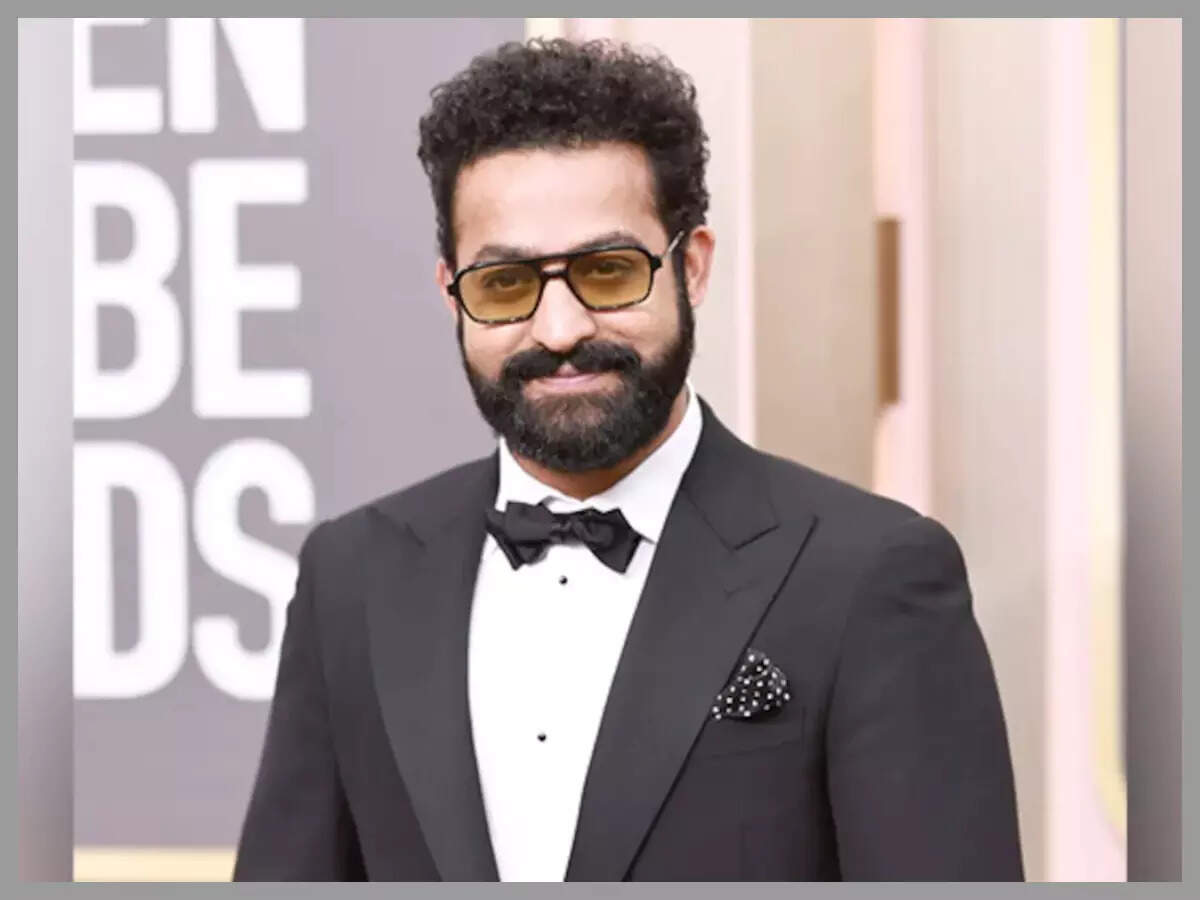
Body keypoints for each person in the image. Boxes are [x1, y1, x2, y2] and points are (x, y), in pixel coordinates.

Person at [232, 37, 1023, 882]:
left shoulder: (869, 574)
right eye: (505, 284)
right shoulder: (353, 578)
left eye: (608, 272)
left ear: (693, 267)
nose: (560, 330)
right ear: (452, 295)